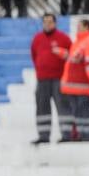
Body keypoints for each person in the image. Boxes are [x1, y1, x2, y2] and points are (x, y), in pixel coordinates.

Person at [30, 13, 72, 144]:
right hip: (42, 79)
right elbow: (34, 55)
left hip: (58, 78)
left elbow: (70, 56)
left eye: (50, 22)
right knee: (42, 107)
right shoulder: (37, 38)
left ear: (55, 23)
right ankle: (43, 135)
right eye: (45, 22)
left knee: (63, 106)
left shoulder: (63, 38)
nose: (47, 24)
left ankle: (67, 134)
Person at [59, 19, 89, 142]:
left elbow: (79, 57)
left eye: (80, 26)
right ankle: (81, 133)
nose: (78, 28)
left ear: (87, 28)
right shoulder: (77, 41)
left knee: (84, 109)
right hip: (73, 83)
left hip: (83, 83)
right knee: (76, 110)